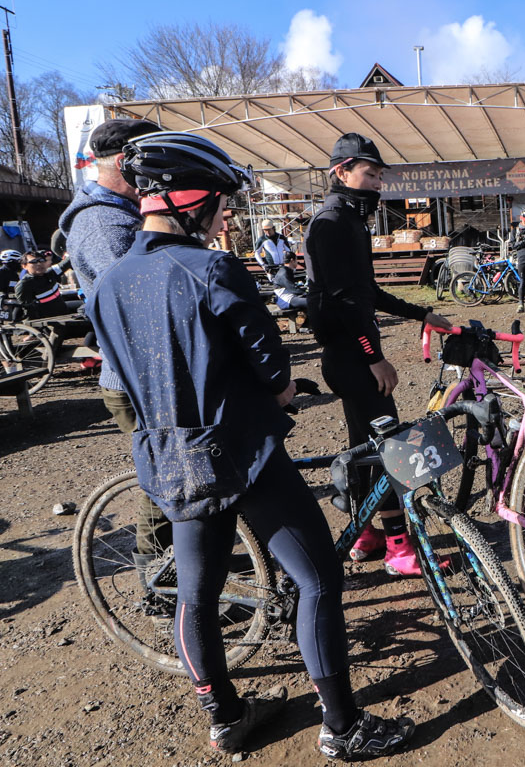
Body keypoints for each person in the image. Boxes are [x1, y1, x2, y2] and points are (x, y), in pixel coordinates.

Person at [87, 130, 414, 759]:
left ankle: (226, 716)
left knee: (196, 593)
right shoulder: (211, 268)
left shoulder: (106, 286)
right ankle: (344, 728)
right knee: (318, 580)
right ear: (186, 199)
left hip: (167, 458)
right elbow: (276, 371)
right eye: (220, 202)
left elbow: (123, 377)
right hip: (243, 452)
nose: (226, 215)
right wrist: (285, 392)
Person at [304, 132, 452, 575]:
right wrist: (373, 356)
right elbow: (344, 301)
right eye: (369, 174)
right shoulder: (331, 223)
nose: (376, 184)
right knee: (392, 448)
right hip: (350, 356)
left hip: (354, 351)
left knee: (367, 447)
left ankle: (364, 534)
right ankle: (401, 551)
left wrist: (421, 312)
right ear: (341, 172)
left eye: (379, 176)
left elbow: (367, 292)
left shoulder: (350, 220)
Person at [60, 118, 171, 575]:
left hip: (144, 369)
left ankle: (178, 567)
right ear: (127, 162)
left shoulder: (122, 213)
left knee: (170, 469)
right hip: (134, 376)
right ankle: (158, 576)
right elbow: (137, 304)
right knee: (165, 474)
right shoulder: (104, 224)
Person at [15, 250, 75, 319]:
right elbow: (25, 307)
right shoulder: (25, 284)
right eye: (34, 262)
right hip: (48, 320)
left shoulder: (50, 273)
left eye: (41, 260)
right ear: (24, 266)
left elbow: (66, 263)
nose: (39, 264)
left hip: (63, 310)